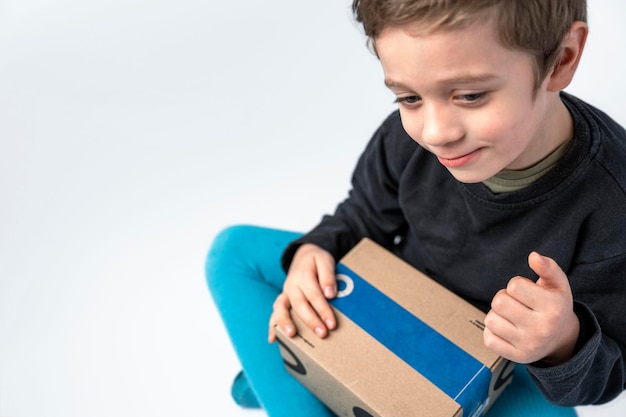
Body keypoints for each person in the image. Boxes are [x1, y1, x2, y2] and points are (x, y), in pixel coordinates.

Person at [206, 1, 626, 416]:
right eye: (408, 98)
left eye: (471, 95)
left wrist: (561, 343)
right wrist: (315, 250)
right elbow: (363, 216)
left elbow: (610, 371)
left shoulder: (614, 200)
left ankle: (286, 378)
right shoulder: (408, 140)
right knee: (236, 252)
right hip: (394, 305)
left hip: (499, 364)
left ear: (562, 60)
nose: (435, 132)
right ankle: (307, 387)